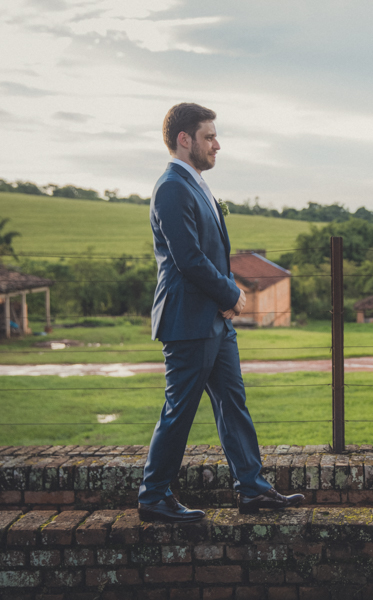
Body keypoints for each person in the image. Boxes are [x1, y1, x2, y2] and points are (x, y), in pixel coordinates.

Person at [137, 103, 303, 522]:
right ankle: (153, 496)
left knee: (233, 402)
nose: (217, 145)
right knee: (180, 410)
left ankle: (252, 490)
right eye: (209, 137)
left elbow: (210, 253)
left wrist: (222, 301)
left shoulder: (196, 185)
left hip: (214, 320)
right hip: (188, 321)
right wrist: (231, 294)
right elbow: (189, 259)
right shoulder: (172, 187)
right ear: (184, 139)